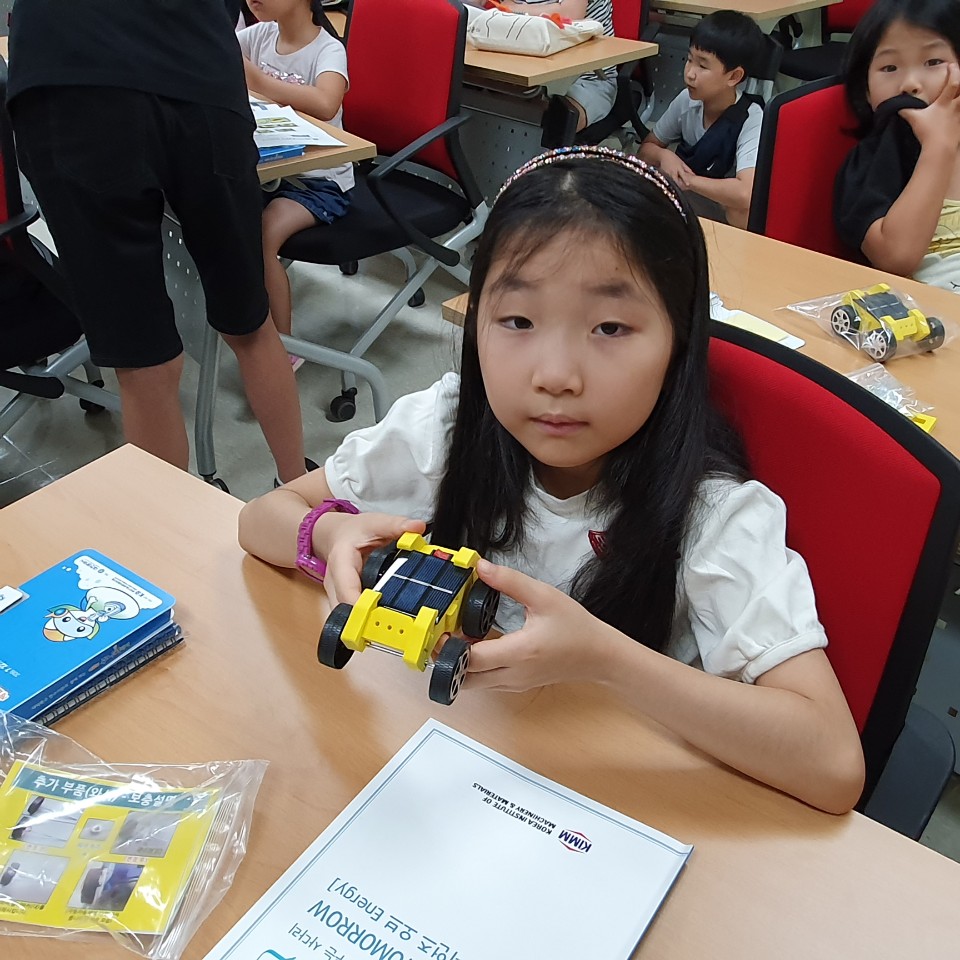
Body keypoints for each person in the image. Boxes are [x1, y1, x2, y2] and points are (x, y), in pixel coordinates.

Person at [238, 146, 866, 815]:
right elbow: (259, 519)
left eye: (610, 327)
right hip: (448, 776)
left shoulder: (714, 516)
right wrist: (330, 530)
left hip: (607, 810)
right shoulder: (449, 427)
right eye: (517, 321)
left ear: (679, 342)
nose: (556, 374)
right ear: (475, 321)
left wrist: (603, 659)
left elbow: (831, 763)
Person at [5, 0, 308, 482]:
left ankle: (174, 541)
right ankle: (298, 491)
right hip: (192, 63)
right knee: (250, 322)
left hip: (69, 71)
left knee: (143, 356)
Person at [239, 0, 354, 361]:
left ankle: (282, 350)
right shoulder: (257, 37)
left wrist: (258, 81)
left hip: (320, 183)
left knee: (263, 234)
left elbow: (326, 103)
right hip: (272, 173)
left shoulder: (328, 49)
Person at [834, 0, 960, 292]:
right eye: (889, 67)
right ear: (865, 90)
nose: (910, 84)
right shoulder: (873, 159)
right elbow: (895, 257)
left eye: (933, 62)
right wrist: (937, 147)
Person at [638, 10, 764, 229]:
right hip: (688, 199)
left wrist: (688, 181)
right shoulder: (687, 100)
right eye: (689, 60)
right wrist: (664, 155)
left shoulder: (751, 117)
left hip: (721, 208)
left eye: (703, 66)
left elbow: (746, 193)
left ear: (734, 76)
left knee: (741, 212)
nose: (690, 73)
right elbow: (646, 149)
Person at [485, 0, 617, 146]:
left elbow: (569, 15)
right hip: (523, 70)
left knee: (556, 118)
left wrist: (507, 10)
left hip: (585, 78)